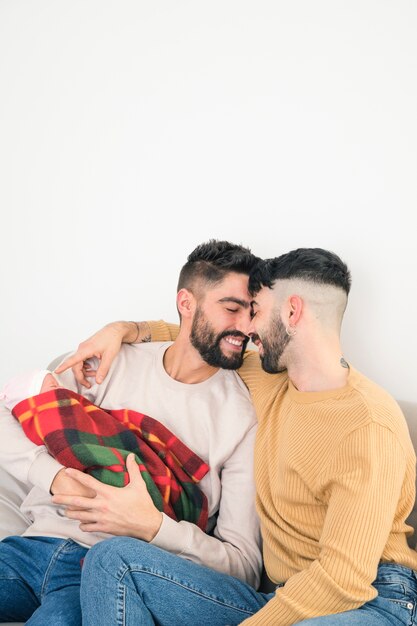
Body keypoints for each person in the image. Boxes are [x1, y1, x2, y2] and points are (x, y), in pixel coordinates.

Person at [59, 247, 417, 625]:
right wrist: (122, 330)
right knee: (113, 560)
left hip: (372, 600)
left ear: (292, 312)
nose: (247, 329)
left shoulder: (367, 425)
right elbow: (196, 335)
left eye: (257, 311)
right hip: (282, 596)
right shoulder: (268, 378)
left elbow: (343, 580)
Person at [0, 240, 262, 625]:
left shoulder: (241, 420)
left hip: (97, 575)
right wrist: (53, 477)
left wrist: (152, 527)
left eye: (251, 313)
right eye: (231, 308)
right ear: (186, 303)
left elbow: (244, 567)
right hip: (29, 547)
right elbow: (11, 410)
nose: (244, 326)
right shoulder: (111, 361)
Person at [1, 369, 211, 529]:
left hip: (97, 545)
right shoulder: (29, 431)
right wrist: (57, 479)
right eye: (53, 389)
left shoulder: (94, 405)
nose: (63, 391)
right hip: (37, 537)